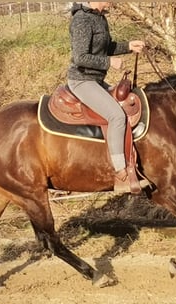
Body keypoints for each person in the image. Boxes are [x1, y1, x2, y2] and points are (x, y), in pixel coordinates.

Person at [67, 2, 148, 193]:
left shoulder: (99, 17)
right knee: (117, 116)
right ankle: (120, 172)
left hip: (96, 80)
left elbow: (105, 46)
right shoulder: (82, 20)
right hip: (82, 81)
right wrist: (108, 62)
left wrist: (129, 46)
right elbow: (80, 57)